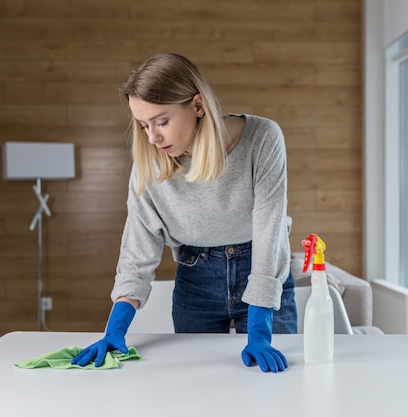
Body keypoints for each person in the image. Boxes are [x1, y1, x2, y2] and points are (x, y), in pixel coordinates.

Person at [71, 53, 296, 373]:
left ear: (198, 105)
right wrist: (115, 328)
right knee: (197, 386)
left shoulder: (263, 138)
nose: (152, 137)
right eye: (143, 124)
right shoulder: (149, 164)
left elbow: (269, 229)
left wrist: (259, 328)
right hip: (197, 278)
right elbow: (138, 249)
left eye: (161, 121)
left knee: (280, 386)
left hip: (262, 267)